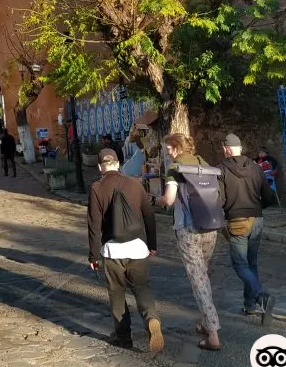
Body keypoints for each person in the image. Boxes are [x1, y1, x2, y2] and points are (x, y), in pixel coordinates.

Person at [87, 149, 163, 353]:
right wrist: (152, 244)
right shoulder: (135, 184)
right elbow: (149, 216)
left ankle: (123, 337)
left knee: (117, 293)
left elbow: (94, 225)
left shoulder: (96, 188)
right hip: (137, 248)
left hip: (112, 251)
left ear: (100, 167)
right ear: (118, 164)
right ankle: (152, 319)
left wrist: (93, 255)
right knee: (142, 288)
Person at [154, 133, 221, 352]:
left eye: (167, 148)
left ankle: (213, 333)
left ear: (174, 148)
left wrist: (156, 199)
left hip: (188, 227)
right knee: (203, 273)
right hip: (210, 225)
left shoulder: (175, 168)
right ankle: (205, 321)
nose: (166, 151)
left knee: (198, 278)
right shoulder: (203, 163)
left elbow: (170, 200)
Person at [218, 133, 278, 323]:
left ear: (226, 149)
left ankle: (261, 297)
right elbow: (269, 196)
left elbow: (219, 199)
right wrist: (257, 208)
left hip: (237, 221)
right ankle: (249, 305)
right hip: (257, 219)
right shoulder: (256, 167)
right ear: (240, 149)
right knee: (251, 264)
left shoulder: (221, 169)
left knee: (240, 265)